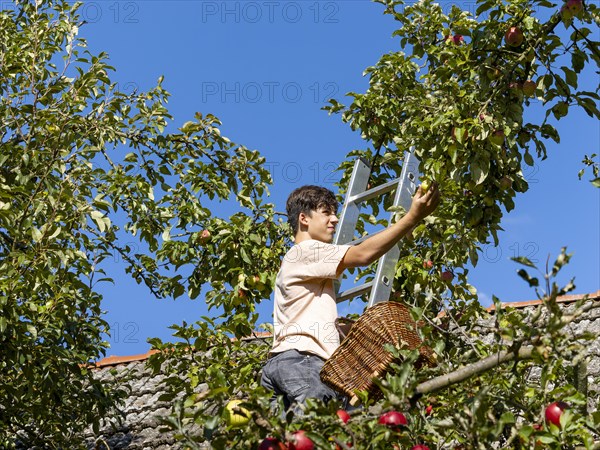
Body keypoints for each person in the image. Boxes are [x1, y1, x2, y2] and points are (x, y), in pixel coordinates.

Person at [260, 182, 440, 411]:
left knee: (286, 440)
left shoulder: (299, 267)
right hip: (303, 363)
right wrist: (413, 217)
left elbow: (307, 322)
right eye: (326, 212)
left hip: (283, 365)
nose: (334, 220)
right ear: (304, 219)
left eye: (335, 214)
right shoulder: (305, 251)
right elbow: (363, 254)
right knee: (317, 433)